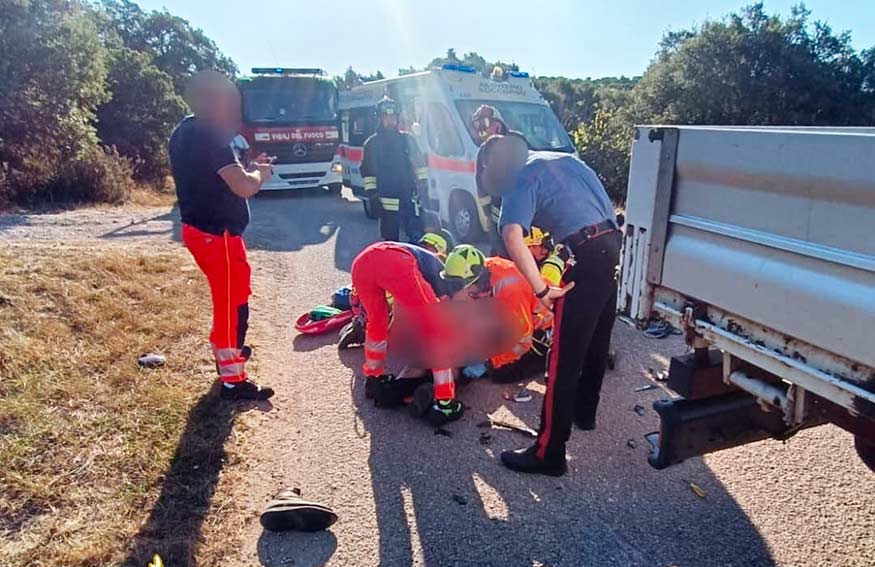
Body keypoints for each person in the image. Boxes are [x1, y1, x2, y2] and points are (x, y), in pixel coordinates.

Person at [480, 134, 620, 476]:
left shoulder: (517, 178)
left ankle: (549, 453)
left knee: (562, 360)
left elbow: (512, 235)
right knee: (596, 343)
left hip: (584, 257)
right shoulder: (566, 160)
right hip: (614, 248)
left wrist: (541, 290)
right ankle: (584, 413)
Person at [168, 70, 274, 401]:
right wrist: (260, 174)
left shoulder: (185, 130)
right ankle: (232, 379)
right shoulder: (210, 135)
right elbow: (243, 185)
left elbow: (217, 173)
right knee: (230, 303)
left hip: (208, 231)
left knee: (237, 291)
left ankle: (231, 351)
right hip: (217, 233)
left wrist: (246, 165)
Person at [350, 240, 463, 425]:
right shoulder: (440, 273)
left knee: (377, 322)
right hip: (394, 261)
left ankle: (374, 379)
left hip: (362, 261)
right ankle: (445, 403)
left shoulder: (422, 261)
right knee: (439, 329)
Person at [442, 244, 554, 384]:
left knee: (500, 373)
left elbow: (523, 339)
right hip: (512, 314)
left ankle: (545, 358)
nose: (452, 290)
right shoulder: (483, 270)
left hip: (542, 325)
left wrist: (491, 361)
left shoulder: (510, 290)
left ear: (474, 282)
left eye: (456, 287)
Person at [361, 96, 429, 242]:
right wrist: (373, 197)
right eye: (386, 117)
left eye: (393, 117)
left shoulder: (408, 139)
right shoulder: (372, 144)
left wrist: (423, 185)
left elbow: (419, 165)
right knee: (391, 245)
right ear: (379, 119)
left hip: (409, 202)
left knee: (417, 241)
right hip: (386, 206)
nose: (390, 120)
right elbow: (368, 174)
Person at [472, 105, 511, 256]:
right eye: (478, 125)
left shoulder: (517, 143)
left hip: (521, 214)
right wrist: (487, 214)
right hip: (498, 216)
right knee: (500, 253)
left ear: (498, 125)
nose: (482, 129)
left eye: (485, 123)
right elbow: (481, 185)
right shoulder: (484, 151)